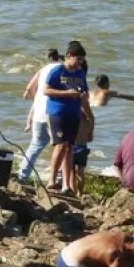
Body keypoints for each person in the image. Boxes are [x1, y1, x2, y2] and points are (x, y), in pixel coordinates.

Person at [44, 42, 91, 194]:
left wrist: (83, 96)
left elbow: (86, 92)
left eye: (82, 60)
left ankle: (66, 184)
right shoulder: (58, 71)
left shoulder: (80, 73)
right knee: (60, 145)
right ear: (69, 56)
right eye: (78, 59)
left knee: (70, 147)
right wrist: (67, 93)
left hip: (74, 113)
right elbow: (46, 90)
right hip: (57, 113)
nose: (80, 63)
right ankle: (51, 180)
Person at [19, 49, 62, 183]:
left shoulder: (43, 70)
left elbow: (30, 88)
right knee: (61, 147)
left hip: (39, 113)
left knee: (35, 145)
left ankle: (22, 176)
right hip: (55, 113)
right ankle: (58, 180)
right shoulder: (63, 69)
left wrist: (37, 100)